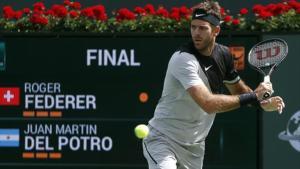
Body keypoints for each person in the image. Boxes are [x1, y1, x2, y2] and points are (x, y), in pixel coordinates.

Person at [142, 1, 285, 169]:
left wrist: (261, 103)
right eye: (193, 27)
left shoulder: (224, 55)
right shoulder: (183, 59)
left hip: (194, 148)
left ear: (216, 30)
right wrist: (255, 95)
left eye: (203, 28)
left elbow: (238, 91)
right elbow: (208, 104)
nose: (196, 33)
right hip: (163, 139)